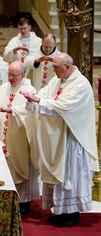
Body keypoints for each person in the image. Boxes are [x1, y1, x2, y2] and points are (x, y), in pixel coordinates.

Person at [20, 53, 98, 226]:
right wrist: (34, 98)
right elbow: (44, 93)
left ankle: (71, 213)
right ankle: (61, 210)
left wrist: (39, 100)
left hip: (71, 138)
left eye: (56, 67)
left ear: (68, 67)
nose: (53, 70)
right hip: (58, 137)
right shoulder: (58, 80)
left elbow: (64, 106)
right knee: (58, 175)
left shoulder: (80, 84)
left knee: (70, 174)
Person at [0, 61, 39, 214]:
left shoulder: (29, 89)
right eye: (9, 74)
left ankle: (23, 201)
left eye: (14, 75)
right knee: (5, 165)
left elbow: (30, 110)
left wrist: (12, 110)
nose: (10, 78)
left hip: (18, 136)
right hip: (3, 135)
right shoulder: (4, 87)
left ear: (23, 75)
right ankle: (6, 197)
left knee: (19, 165)